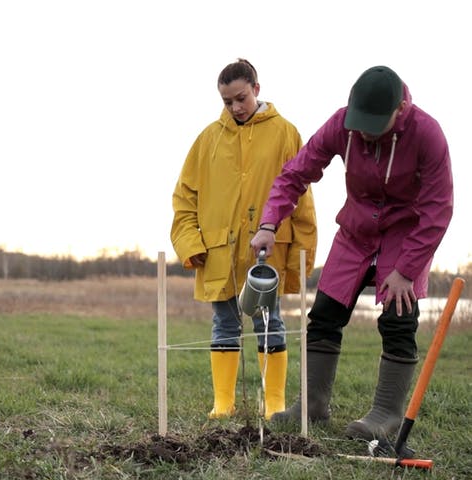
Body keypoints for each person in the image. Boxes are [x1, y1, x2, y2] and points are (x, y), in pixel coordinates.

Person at [250, 65, 454, 440]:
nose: (361, 131)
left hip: (405, 237)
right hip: (355, 233)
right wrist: (268, 224)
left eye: (372, 123)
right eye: (359, 122)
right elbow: (295, 174)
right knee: (325, 315)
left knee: (398, 318)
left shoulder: (427, 134)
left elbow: (438, 208)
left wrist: (407, 269)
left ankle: (387, 413)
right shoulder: (342, 124)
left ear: (400, 109)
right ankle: (312, 404)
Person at [171, 58, 317, 420]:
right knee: (224, 323)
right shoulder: (207, 139)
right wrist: (191, 244)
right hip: (218, 252)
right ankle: (223, 403)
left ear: (256, 89)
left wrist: (301, 253)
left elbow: (302, 198)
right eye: (227, 101)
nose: (236, 107)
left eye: (241, 98)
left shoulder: (286, 132)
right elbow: (184, 198)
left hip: (268, 251)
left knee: (270, 322)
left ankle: (275, 404)